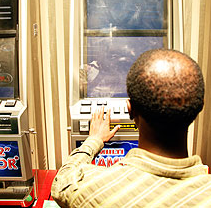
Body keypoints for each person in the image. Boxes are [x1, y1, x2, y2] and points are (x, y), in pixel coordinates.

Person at [51, 49, 211, 207]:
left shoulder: (93, 190)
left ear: (130, 108)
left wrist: (94, 140)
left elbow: (62, 182)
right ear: (199, 106)